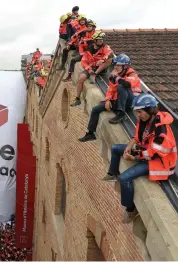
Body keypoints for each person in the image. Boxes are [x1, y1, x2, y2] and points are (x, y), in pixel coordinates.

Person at [103, 94, 177, 223]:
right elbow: (137, 137)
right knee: (116, 148)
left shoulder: (162, 131)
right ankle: (112, 173)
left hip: (159, 163)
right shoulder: (145, 120)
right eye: (137, 112)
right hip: (146, 152)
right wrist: (129, 147)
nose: (138, 115)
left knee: (125, 178)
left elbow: (153, 154)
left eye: (140, 112)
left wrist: (134, 156)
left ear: (150, 110)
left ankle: (130, 210)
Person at [78, 54, 142, 142]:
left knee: (121, 86)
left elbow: (127, 84)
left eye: (119, 65)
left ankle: (121, 114)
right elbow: (110, 89)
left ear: (126, 66)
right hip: (118, 100)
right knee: (96, 109)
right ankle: (91, 133)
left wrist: (116, 77)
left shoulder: (132, 74)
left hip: (130, 102)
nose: (116, 67)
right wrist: (108, 100)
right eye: (116, 65)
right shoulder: (115, 75)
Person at [71, 31, 114, 106]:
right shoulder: (88, 50)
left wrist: (103, 59)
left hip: (102, 67)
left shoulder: (105, 47)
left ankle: (95, 74)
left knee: (109, 59)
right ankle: (77, 99)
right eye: (99, 40)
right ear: (95, 41)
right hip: (92, 67)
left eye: (102, 40)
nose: (101, 42)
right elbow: (83, 62)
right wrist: (89, 69)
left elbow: (109, 53)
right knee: (81, 78)